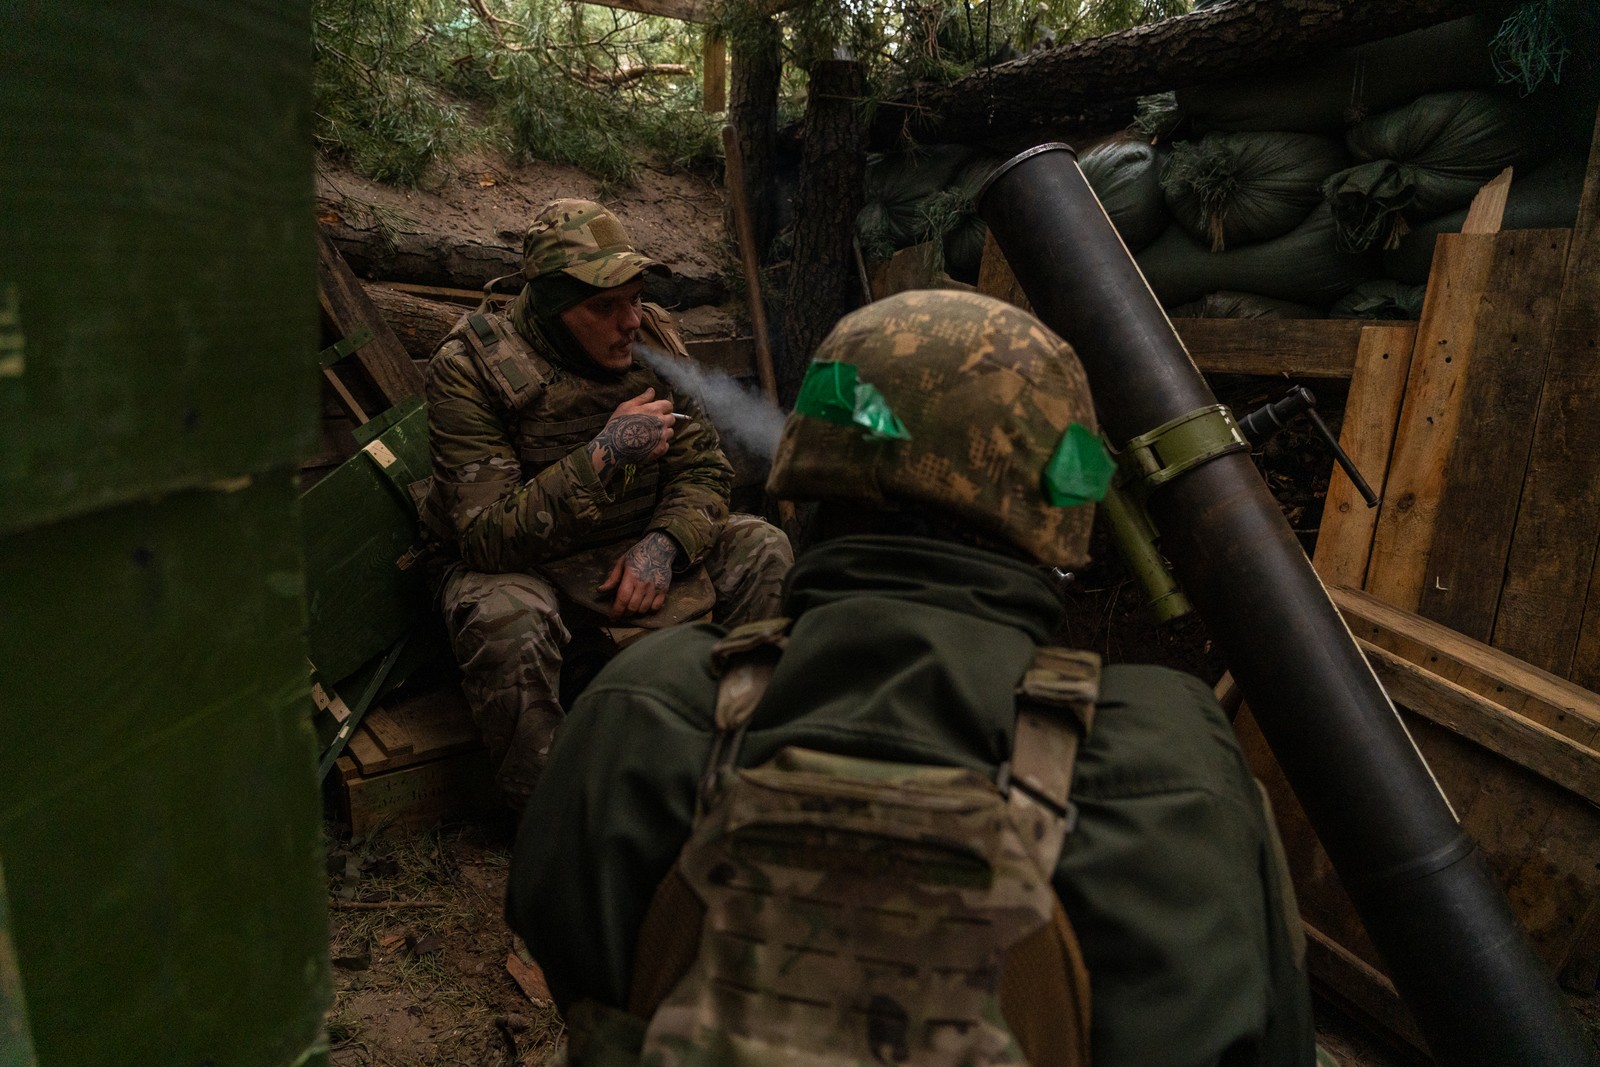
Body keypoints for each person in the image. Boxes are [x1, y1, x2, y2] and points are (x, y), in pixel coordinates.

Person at [505, 290, 1314, 1066]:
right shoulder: (1174, 769)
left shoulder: (644, 707)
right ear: (1058, 499)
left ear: (811, 467)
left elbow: (576, 964)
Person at [420, 198, 793, 810]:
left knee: (764, 547)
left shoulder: (650, 337)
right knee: (504, 618)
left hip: (632, 546)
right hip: (525, 566)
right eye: (604, 306)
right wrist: (604, 456)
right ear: (548, 304)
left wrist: (664, 546)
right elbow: (483, 536)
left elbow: (703, 470)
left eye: (636, 297)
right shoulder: (471, 368)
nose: (630, 322)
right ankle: (552, 816)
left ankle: (741, 768)